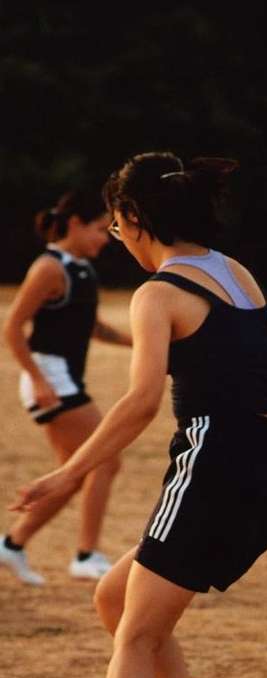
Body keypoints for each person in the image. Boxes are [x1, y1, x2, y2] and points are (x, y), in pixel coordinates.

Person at [21, 151, 267, 678]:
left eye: (118, 227)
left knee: (137, 636)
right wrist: (254, 469)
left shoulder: (157, 294)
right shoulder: (242, 276)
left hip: (210, 475)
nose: (119, 239)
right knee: (114, 599)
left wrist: (67, 474)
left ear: (135, 218)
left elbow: (141, 401)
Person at [1, 188, 132, 585]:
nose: (105, 238)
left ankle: (12, 545)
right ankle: (86, 555)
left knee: (72, 475)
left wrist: (142, 342)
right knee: (105, 461)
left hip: (65, 379)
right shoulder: (48, 268)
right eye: (100, 229)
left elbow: (91, 327)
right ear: (74, 223)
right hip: (51, 380)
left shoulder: (83, 269)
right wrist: (38, 380)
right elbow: (12, 329)